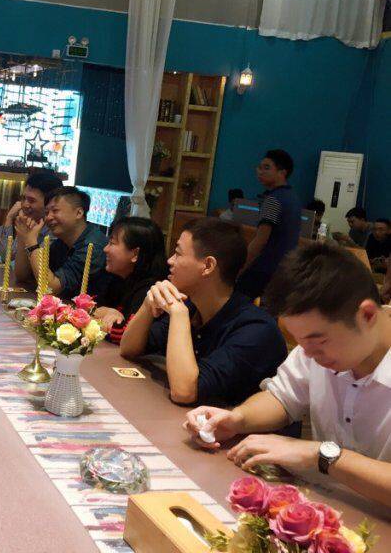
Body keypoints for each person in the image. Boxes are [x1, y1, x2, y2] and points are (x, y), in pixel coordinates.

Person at [183, 244, 391, 508]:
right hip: (330, 506)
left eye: (319, 342)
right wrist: (237, 419)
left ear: (367, 315)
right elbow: (282, 397)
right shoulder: (317, 347)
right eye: (300, 343)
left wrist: (322, 456)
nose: (308, 354)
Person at [121, 218, 287, 406]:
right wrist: (147, 304)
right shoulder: (192, 306)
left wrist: (179, 315)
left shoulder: (256, 330)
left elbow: (184, 392)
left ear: (208, 266)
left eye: (178, 254)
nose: (170, 261)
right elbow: (129, 349)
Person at [13, 186, 108, 299]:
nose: (48, 217)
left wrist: (32, 243)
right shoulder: (62, 242)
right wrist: (23, 237)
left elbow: (50, 288)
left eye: (55, 211)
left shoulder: (92, 246)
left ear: (79, 213)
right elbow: (23, 276)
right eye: (47, 212)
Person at [236, 149, 301, 300]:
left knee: (236, 302)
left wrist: (240, 268)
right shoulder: (293, 198)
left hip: (265, 268)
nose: (260, 172)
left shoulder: (273, 200)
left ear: (282, 172)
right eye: (259, 167)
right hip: (285, 269)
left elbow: (261, 240)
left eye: (266, 168)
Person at [93, 217, 169, 343]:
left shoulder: (151, 289)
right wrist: (107, 312)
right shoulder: (115, 277)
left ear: (135, 254)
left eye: (112, 243)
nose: (105, 249)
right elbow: (91, 309)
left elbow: (127, 336)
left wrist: (104, 315)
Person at [0, 170, 64, 258]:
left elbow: (38, 264)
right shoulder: (28, 222)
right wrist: (9, 218)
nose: (25, 205)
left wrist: (28, 237)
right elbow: (5, 257)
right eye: (23, 198)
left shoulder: (55, 230)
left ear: (49, 202)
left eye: (31, 200)